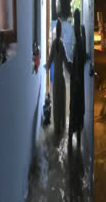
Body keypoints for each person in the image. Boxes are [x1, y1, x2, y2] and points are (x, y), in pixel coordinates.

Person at [45, 18, 71, 135]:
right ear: (60, 31)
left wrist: (43, 67)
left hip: (56, 79)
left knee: (56, 103)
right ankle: (62, 126)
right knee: (62, 102)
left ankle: (56, 128)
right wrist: (73, 69)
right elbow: (66, 62)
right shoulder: (61, 44)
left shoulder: (54, 44)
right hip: (61, 77)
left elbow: (49, 62)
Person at [69, 9, 86, 148]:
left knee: (76, 108)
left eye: (75, 23)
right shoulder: (79, 40)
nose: (74, 26)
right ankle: (73, 136)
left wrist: (77, 76)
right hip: (77, 80)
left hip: (78, 83)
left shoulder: (80, 40)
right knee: (76, 109)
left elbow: (80, 60)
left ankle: (74, 137)